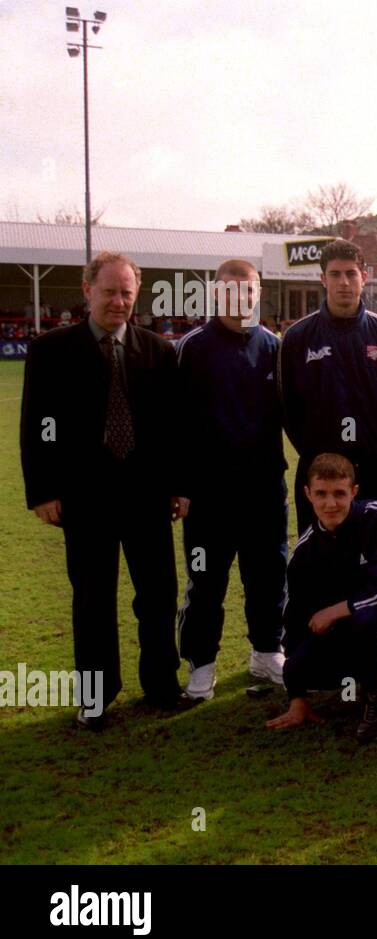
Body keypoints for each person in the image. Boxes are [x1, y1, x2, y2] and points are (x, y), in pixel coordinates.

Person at [19, 251, 190, 727]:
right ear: (87, 289)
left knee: (156, 595)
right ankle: (96, 696)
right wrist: (42, 491)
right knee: (92, 599)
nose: (118, 301)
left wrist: (180, 486)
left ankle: (161, 685)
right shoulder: (51, 350)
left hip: (147, 497)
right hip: (85, 498)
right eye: (110, 291)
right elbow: (37, 425)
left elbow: (174, 430)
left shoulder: (159, 351)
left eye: (127, 293)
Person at [174, 260, 289, 699]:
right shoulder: (192, 347)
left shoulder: (274, 347)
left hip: (263, 490)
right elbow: (174, 425)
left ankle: (266, 651)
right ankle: (201, 663)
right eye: (231, 290)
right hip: (208, 496)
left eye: (248, 290)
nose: (240, 298)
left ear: (258, 294)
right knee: (206, 580)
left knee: (268, 574)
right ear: (215, 294)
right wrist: (180, 485)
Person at [267, 454, 377, 742]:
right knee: (298, 667)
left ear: (354, 491)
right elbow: (296, 619)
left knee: (370, 619)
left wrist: (337, 610)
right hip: (350, 633)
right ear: (307, 494)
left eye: (339, 493)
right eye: (321, 494)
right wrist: (296, 696)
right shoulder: (305, 552)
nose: (330, 503)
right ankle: (366, 674)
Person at [278, 239, 377, 533]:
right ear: (323, 279)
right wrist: (315, 451)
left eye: (351, 273)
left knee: (376, 558)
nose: (344, 282)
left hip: (373, 470)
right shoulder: (298, 336)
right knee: (319, 563)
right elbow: (288, 406)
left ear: (364, 277)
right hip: (318, 471)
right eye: (335, 274)